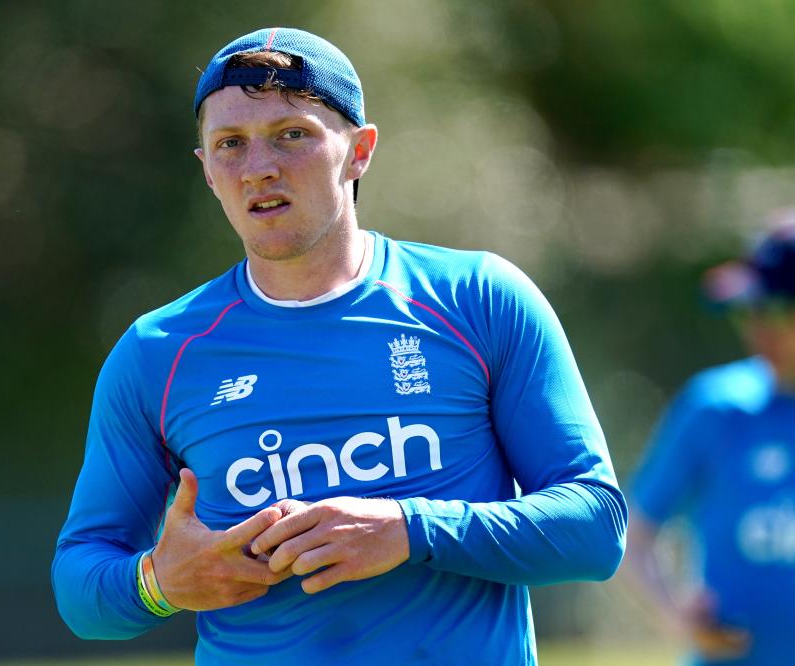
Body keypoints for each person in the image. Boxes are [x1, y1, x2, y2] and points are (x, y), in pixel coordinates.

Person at [52, 27, 627, 665]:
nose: (258, 167)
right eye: (230, 145)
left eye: (292, 134)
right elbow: (80, 584)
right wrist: (158, 584)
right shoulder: (158, 352)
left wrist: (410, 530)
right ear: (208, 173)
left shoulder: (479, 299)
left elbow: (596, 527)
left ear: (359, 151)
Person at [626, 213, 795, 666]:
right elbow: (634, 536)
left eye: (778, 310)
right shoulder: (716, 407)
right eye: (749, 310)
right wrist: (676, 615)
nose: (759, 329)